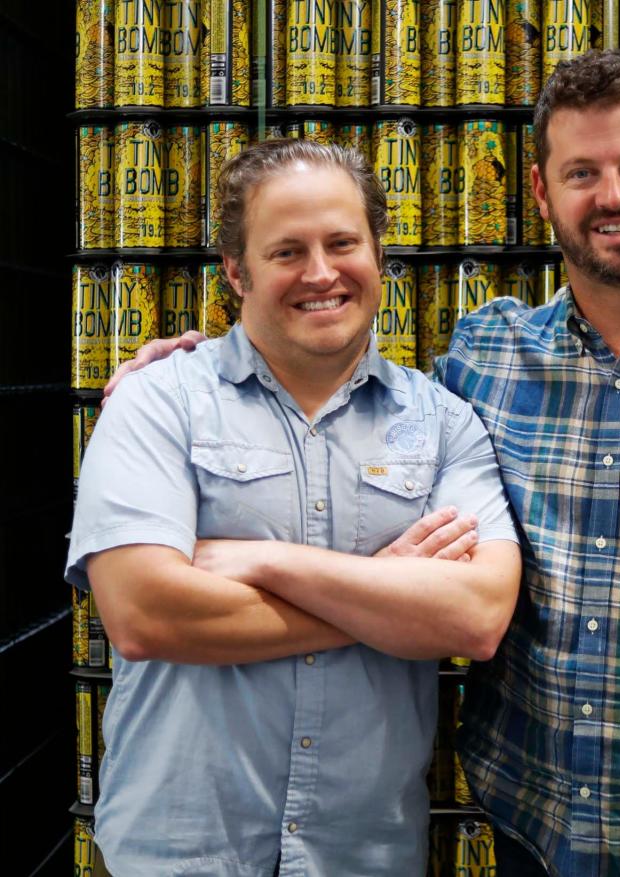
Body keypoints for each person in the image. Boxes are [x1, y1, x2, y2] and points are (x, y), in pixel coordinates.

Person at [107, 51, 620, 876]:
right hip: (539, 831)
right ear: (541, 191)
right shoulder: (485, 360)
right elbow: (305, 371)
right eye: (581, 172)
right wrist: (177, 373)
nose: (614, 196)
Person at [66, 140, 521, 876]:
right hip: (183, 853)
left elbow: (474, 617)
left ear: (378, 255)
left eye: (343, 243)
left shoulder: (445, 424)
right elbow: (145, 615)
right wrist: (383, 591)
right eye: (287, 251)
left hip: (364, 854)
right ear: (236, 271)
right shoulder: (157, 402)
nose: (320, 272)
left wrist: (262, 561)